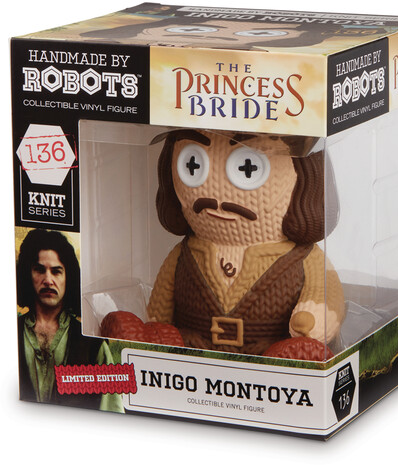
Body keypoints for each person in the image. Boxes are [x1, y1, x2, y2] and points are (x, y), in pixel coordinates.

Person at [146, 129, 345, 356]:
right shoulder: (184, 254)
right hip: (192, 354)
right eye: (193, 165)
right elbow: (159, 309)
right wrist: (154, 330)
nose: (216, 197)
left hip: (271, 359)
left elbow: (325, 292)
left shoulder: (305, 258)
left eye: (247, 167)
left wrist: (313, 318)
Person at [17, 229, 123, 412]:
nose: (48, 280)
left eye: (56, 272)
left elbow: (112, 411)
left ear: (68, 278)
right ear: (28, 274)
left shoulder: (92, 344)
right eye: (40, 270)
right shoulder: (11, 332)